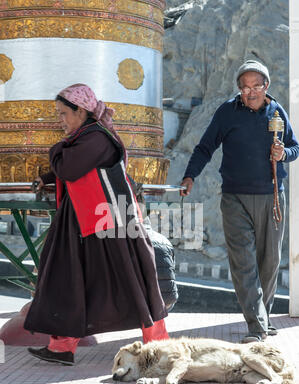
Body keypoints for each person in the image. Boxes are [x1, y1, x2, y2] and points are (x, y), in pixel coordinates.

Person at [24, 83, 169, 365]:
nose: (61, 121)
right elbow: (76, 170)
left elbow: (67, 166)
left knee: (131, 280)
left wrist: (56, 153)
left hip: (109, 221)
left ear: (81, 111)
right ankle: (61, 347)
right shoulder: (86, 139)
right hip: (88, 219)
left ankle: (158, 343)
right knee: (71, 279)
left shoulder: (95, 138)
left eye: (64, 114)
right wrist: (50, 176)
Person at [180, 60, 299, 343]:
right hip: (234, 197)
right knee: (243, 263)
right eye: (245, 87)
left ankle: (263, 317)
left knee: (269, 262)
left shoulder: (277, 112)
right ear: (239, 89)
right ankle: (257, 326)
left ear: (266, 86)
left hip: (272, 198)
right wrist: (189, 176)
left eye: (256, 86)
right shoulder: (226, 112)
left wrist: (283, 154)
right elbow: (205, 147)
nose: (250, 92)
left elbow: (296, 148)